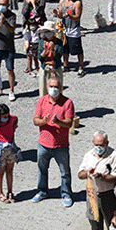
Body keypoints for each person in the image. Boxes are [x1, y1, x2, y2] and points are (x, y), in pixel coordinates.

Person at [80, 131, 116, 230]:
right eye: (96, 144)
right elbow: (80, 174)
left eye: (101, 144)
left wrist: (101, 176)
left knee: (112, 225)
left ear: (107, 143)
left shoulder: (114, 156)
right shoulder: (89, 155)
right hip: (92, 195)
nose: (98, 147)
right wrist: (87, 173)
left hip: (108, 195)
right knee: (95, 225)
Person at [31, 76, 75, 207]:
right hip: (43, 144)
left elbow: (69, 123)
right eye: (51, 86)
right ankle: (42, 191)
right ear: (47, 87)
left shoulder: (67, 103)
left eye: (56, 87)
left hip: (61, 145)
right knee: (42, 169)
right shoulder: (42, 101)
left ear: (60, 88)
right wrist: (43, 122)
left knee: (65, 172)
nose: (53, 89)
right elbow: (35, 120)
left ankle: (66, 193)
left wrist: (58, 122)